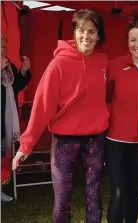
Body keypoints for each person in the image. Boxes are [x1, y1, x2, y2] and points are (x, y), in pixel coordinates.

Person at [12, 9, 109, 223]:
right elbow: (42, 105)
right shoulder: (59, 64)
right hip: (65, 140)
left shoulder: (103, 61)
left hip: (96, 138)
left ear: (99, 35)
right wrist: (25, 146)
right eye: (81, 30)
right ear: (74, 33)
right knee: (62, 199)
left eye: (92, 31)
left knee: (93, 196)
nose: (86, 36)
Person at [105, 20, 138, 223]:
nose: (137, 44)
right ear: (127, 43)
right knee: (118, 193)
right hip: (116, 142)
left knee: (134, 194)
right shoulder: (114, 66)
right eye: (132, 40)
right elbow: (105, 99)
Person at [1, 34, 31, 202]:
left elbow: (18, 85)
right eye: (0, 47)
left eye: (4, 47)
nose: (3, 50)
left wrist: (24, 71)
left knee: (2, 152)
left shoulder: (7, 65)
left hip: (5, 119)